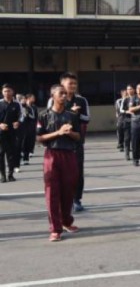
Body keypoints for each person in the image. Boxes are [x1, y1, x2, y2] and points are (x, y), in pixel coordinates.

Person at [37, 84, 82, 242]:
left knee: (68, 191)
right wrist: (58, 132)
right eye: (61, 93)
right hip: (52, 156)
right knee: (52, 192)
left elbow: (78, 137)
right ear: (53, 96)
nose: (64, 96)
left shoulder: (72, 115)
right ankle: (55, 229)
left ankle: (66, 222)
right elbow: (39, 138)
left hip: (69, 155)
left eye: (65, 93)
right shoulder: (44, 115)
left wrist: (70, 133)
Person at [56, 73, 90, 212]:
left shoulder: (82, 100)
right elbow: (51, 117)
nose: (73, 86)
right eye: (70, 83)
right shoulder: (54, 99)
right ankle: (64, 200)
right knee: (61, 173)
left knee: (77, 171)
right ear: (62, 84)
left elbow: (87, 118)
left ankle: (77, 199)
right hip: (59, 142)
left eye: (75, 84)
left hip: (76, 141)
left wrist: (77, 114)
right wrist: (70, 112)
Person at [0, 84, 22, 183]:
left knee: (11, 154)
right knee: (1, 154)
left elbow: (22, 116)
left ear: (12, 92)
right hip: (1, 133)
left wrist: (18, 122)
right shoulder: (0, 103)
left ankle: (10, 174)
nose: (7, 93)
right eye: (5, 91)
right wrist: (0, 125)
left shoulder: (17, 104)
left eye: (9, 91)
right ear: (2, 92)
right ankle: (3, 175)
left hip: (13, 132)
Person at [19, 94, 38, 166]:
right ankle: (20, 156)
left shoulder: (33, 107)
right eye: (32, 97)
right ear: (28, 98)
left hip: (31, 127)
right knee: (22, 142)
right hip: (22, 127)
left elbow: (35, 117)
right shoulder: (22, 106)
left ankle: (26, 159)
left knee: (28, 142)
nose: (34, 99)